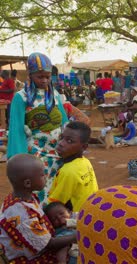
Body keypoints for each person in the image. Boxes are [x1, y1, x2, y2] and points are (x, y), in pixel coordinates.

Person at [7, 52, 68, 203]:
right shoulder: (21, 98)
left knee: (57, 190)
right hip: (36, 156)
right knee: (40, 191)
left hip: (57, 154)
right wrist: (19, 161)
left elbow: (64, 122)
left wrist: (69, 147)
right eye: (40, 77)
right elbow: (17, 130)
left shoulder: (54, 94)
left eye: (48, 76)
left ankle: (56, 220)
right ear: (30, 75)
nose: (45, 80)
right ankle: (38, 221)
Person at [0, 154, 76, 263]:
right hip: (31, 259)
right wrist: (78, 236)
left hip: (43, 241)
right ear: (28, 183)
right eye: (42, 175)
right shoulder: (22, 214)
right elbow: (49, 244)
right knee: (78, 254)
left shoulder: (24, 198)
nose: (46, 176)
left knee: (70, 230)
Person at [47, 122, 98, 212]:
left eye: (69, 141)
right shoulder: (85, 161)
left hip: (76, 219)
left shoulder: (68, 171)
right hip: (90, 212)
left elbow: (55, 203)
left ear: (84, 147)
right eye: (61, 138)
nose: (61, 143)